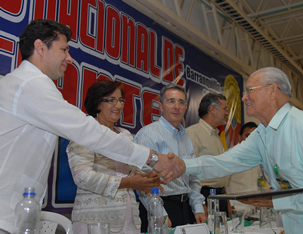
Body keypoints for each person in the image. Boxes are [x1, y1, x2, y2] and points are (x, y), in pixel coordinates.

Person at [0, 19, 182, 234]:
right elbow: (89, 132)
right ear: (40, 47)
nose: (69, 57)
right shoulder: (30, 84)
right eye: (64, 49)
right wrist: (152, 157)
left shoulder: (26, 85)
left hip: (14, 214)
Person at [178, 67, 303, 233]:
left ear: (272, 91)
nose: (244, 97)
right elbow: (225, 162)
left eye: (249, 90)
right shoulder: (262, 134)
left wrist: (274, 201)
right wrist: (181, 166)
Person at [67, 80, 166, 234]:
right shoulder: (84, 134)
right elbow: (82, 177)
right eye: (111, 100)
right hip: (95, 220)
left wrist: (147, 181)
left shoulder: (125, 135)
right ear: (97, 103)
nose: (119, 105)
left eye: (120, 100)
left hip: (130, 218)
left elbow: (132, 172)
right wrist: (130, 182)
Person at [135, 83, 206, 231]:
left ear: (186, 107)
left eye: (181, 102)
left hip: (186, 208)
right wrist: (159, 214)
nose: (176, 107)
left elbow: (192, 178)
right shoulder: (149, 134)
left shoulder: (186, 138)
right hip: (159, 209)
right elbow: (142, 181)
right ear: (160, 106)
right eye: (171, 101)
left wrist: (198, 207)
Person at [185, 93, 230, 216]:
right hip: (204, 198)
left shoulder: (216, 135)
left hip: (220, 197)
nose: (227, 113)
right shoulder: (193, 133)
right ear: (212, 109)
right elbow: (190, 173)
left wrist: (226, 200)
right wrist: (200, 204)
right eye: (225, 108)